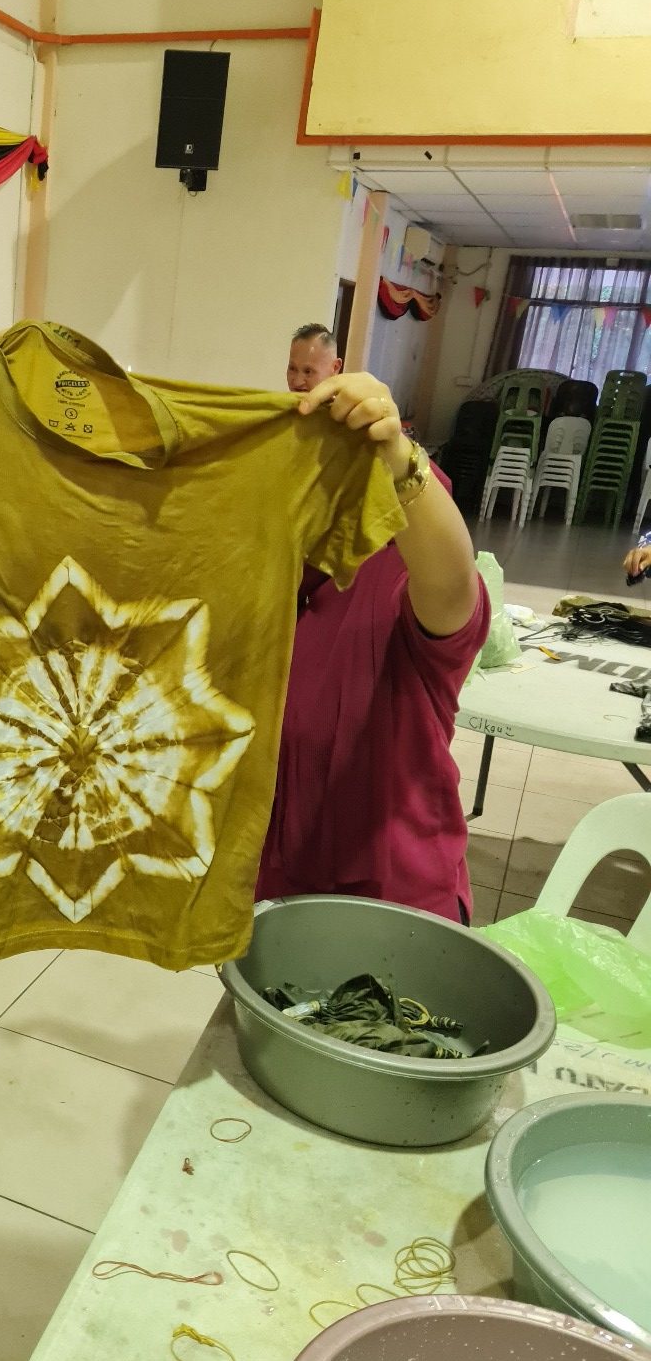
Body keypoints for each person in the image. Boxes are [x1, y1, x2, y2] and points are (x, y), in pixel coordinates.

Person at [256, 334, 489, 924]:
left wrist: (399, 457)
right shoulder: (275, 579)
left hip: (397, 904)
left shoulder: (402, 585)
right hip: (276, 891)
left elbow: (452, 582)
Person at [285, 321, 343, 395]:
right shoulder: (278, 401)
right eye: (292, 369)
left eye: (308, 371)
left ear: (335, 368)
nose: (297, 382)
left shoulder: (348, 401)